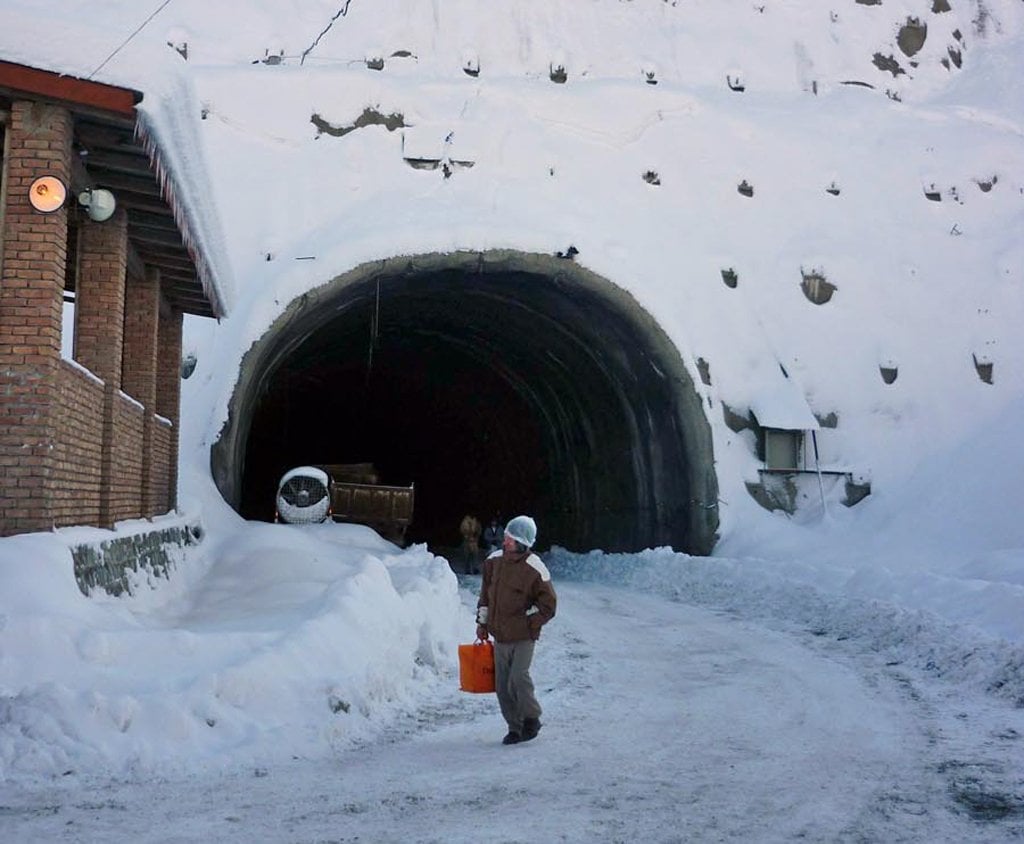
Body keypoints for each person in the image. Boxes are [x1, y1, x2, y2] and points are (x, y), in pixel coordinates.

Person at [475, 515, 557, 745]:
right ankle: (514, 727)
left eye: (510, 538)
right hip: (500, 635)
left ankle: (532, 717)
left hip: (523, 637)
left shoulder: (535, 568)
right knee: (502, 686)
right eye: (506, 537)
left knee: (518, 678)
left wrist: (527, 621)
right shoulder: (493, 562)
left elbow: (548, 605)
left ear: (523, 542)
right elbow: (485, 597)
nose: (505, 541)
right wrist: (482, 624)